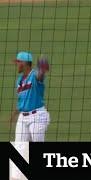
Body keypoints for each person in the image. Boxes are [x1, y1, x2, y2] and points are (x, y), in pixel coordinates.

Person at [10, 51, 50, 180]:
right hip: (23, 117)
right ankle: (17, 177)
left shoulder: (34, 76)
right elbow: (22, 100)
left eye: (18, 62)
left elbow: (40, 76)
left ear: (25, 63)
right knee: (19, 147)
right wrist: (15, 112)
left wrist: (42, 69)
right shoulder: (19, 81)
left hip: (37, 116)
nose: (17, 65)